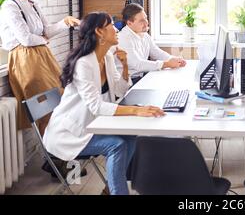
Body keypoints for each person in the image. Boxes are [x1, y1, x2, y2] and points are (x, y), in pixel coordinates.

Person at [43, 12, 166, 195]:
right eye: (111, 26)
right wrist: (136, 111)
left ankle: (111, 188)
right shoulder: (84, 64)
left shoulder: (107, 56)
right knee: (116, 145)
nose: (116, 29)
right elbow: (96, 106)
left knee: (131, 136)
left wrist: (124, 65)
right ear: (99, 32)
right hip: (70, 132)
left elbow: (120, 90)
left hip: (92, 123)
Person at [0, 0, 80, 135]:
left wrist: (65, 22)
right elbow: (26, 39)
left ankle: (57, 152)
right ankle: (52, 155)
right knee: (46, 109)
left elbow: (47, 32)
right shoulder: (9, 6)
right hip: (25, 60)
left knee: (59, 101)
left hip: (43, 56)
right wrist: (43, 39)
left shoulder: (33, 5)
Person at [117, 3, 186, 84]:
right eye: (141, 21)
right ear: (129, 23)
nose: (146, 23)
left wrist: (173, 59)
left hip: (141, 77)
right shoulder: (123, 38)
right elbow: (138, 64)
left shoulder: (144, 34)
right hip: (127, 82)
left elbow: (156, 52)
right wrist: (167, 64)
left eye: (146, 18)